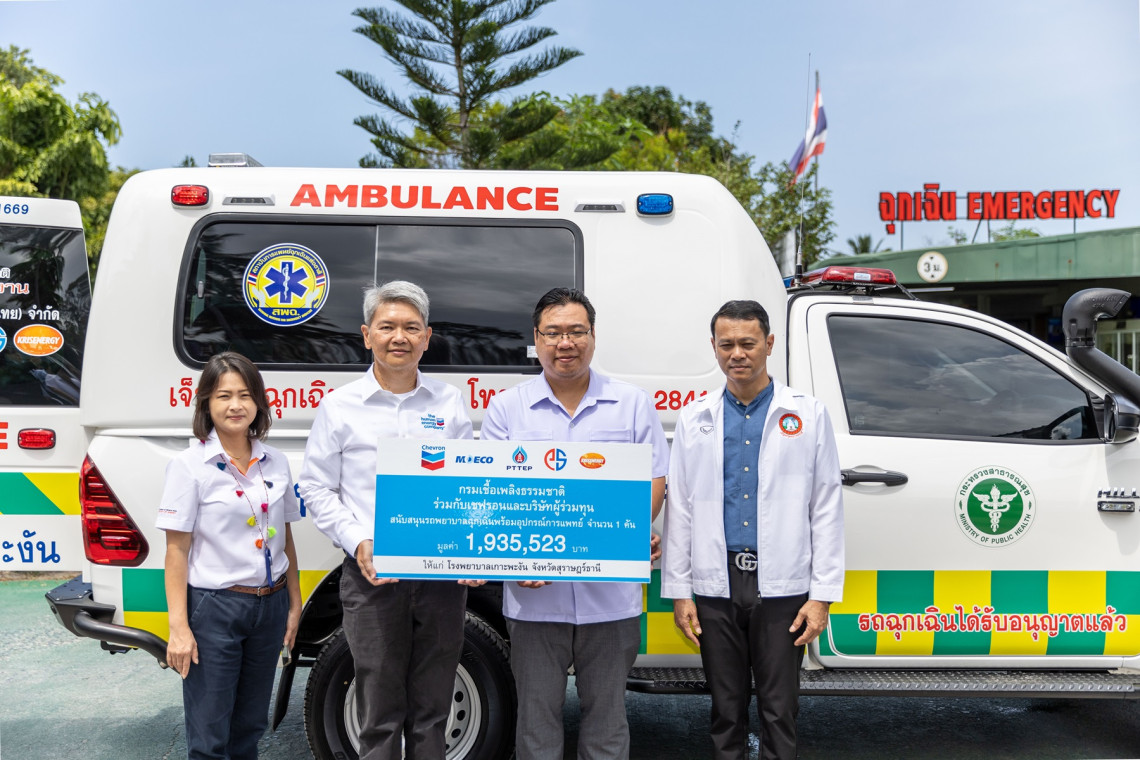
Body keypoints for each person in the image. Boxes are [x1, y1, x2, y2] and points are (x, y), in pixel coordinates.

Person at [481, 287, 668, 760]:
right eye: (553, 333)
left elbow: (654, 479)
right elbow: (492, 493)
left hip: (610, 599)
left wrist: (626, 532)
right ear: (537, 338)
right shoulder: (507, 408)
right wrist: (516, 558)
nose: (565, 343)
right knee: (535, 725)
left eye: (576, 331)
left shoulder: (631, 404)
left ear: (593, 336)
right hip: (534, 600)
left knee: (608, 724)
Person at [299, 280, 476, 760]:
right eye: (387, 326)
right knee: (378, 713)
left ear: (427, 337)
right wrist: (358, 540)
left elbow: (467, 485)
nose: (400, 337)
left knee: (433, 710)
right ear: (366, 335)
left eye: (411, 328)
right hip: (371, 577)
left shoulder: (448, 402)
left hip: (441, 579)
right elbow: (315, 487)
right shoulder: (340, 406)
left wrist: (472, 549)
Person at [661, 299, 844, 760]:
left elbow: (825, 506)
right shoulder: (696, 417)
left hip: (783, 586)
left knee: (780, 710)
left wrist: (821, 596)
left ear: (769, 344)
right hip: (716, 583)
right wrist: (680, 592)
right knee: (725, 710)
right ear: (714, 347)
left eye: (747, 343)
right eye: (726, 344)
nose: (737, 354)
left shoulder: (808, 414)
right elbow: (680, 506)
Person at [160, 351, 303, 760]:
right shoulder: (189, 466)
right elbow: (176, 550)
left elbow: (285, 537)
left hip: (270, 606)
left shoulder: (276, 462)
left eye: (244, 395)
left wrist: (293, 605)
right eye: (224, 396)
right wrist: (179, 628)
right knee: (210, 736)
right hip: (215, 609)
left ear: (258, 402)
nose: (235, 405)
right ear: (206, 403)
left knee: (250, 728)